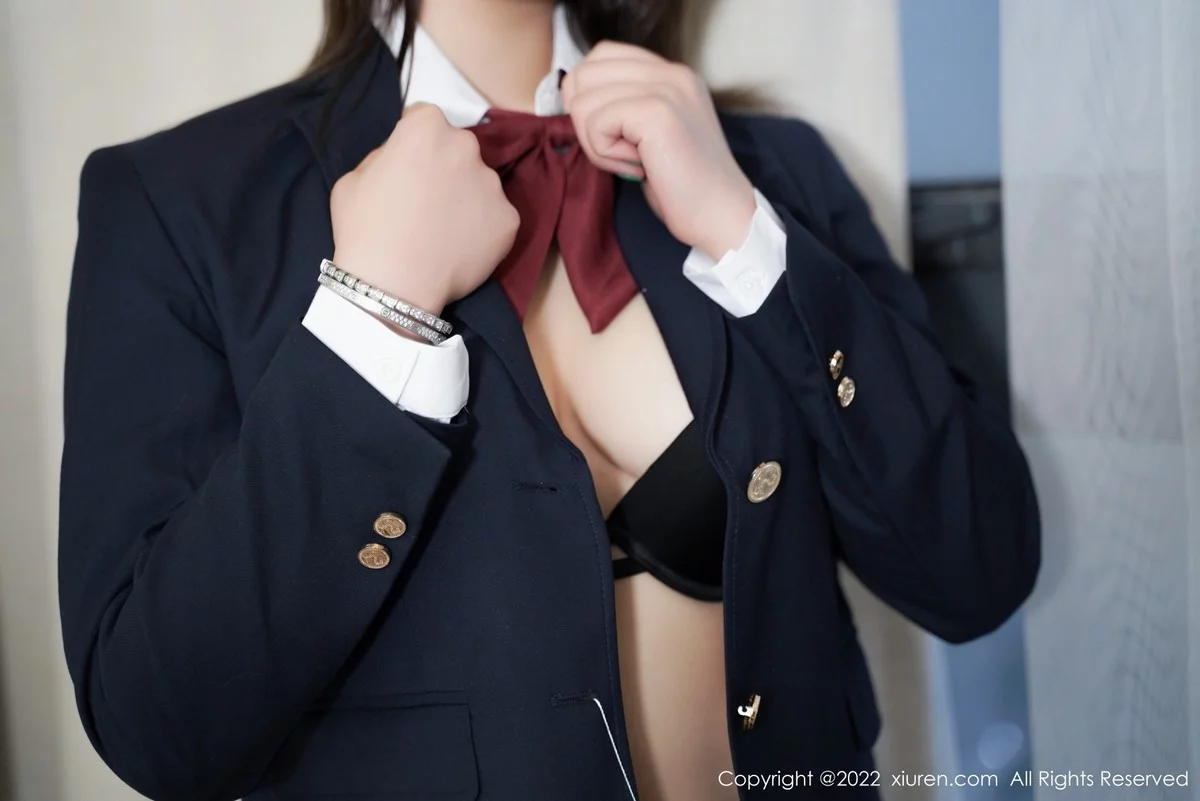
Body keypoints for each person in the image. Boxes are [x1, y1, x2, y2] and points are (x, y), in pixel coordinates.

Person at [57, 1, 1041, 799]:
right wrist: (376, 315)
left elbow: (978, 572)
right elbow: (160, 727)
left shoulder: (774, 169)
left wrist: (746, 235)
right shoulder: (179, 202)